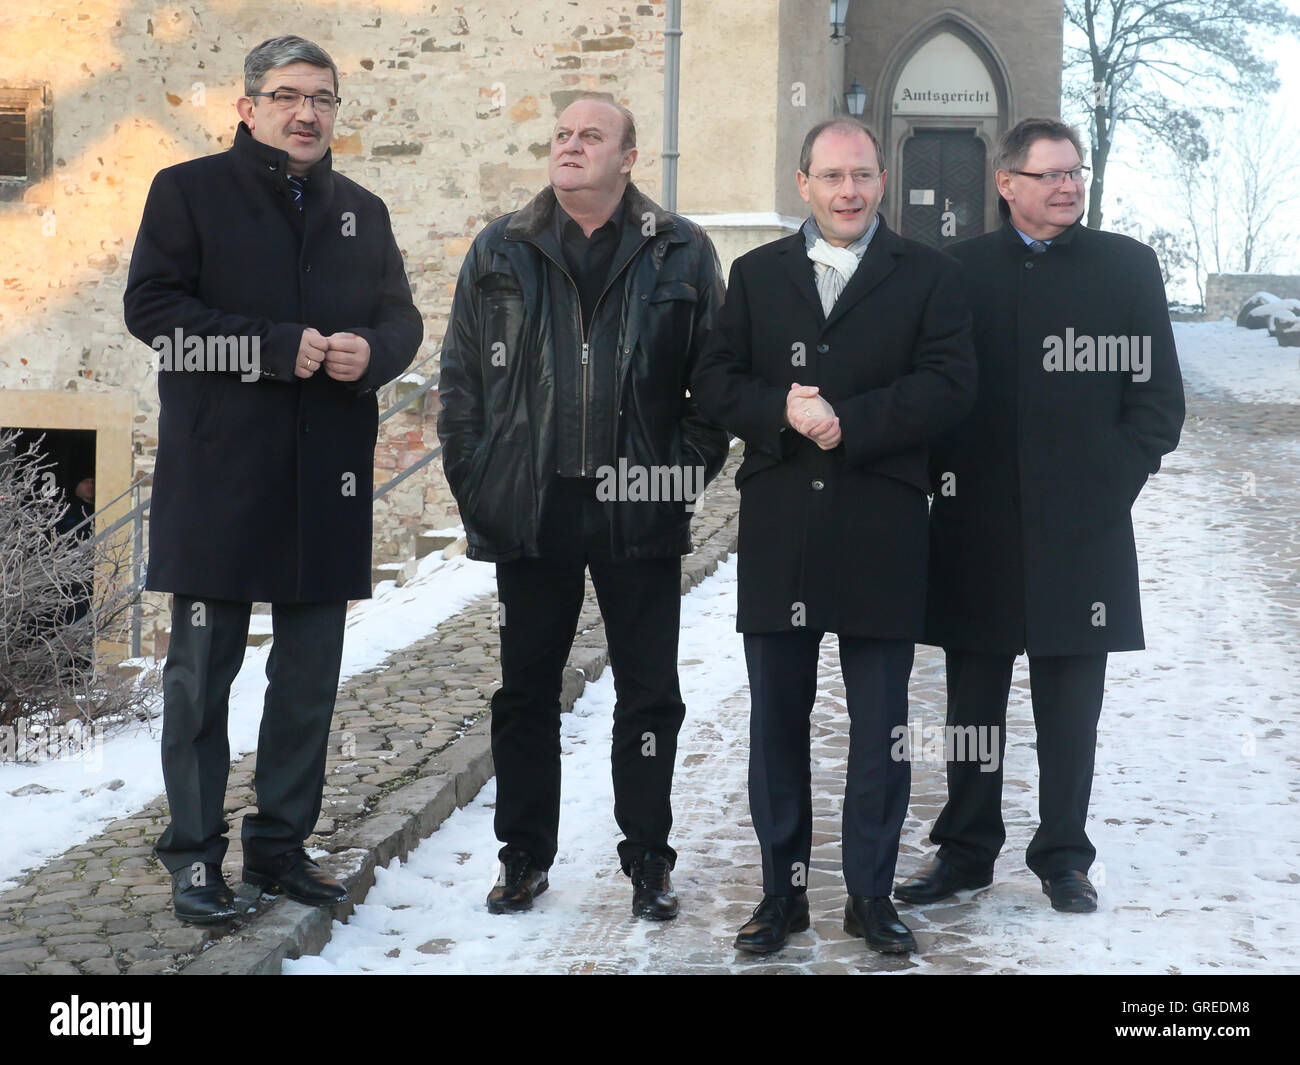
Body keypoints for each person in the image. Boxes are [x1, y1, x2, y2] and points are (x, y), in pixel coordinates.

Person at [123, 35, 422, 924]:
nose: (307, 113)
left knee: (307, 683)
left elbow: (400, 316)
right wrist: (270, 346)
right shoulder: (187, 192)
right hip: (219, 482)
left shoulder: (362, 211)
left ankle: (282, 848)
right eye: (289, 96)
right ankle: (194, 857)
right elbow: (155, 313)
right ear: (247, 106)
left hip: (324, 485)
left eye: (323, 99)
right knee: (200, 680)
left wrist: (375, 352)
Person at [437, 94, 729, 920]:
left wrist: (675, 479)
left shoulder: (678, 250)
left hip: (637, 511)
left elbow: (714, 386)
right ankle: (524, 854)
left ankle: (647, 857)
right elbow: (460, 383)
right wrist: (481, 482)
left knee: (649, 693)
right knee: (525, 692)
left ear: (628, 157)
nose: (570, 146)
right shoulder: (502, 247)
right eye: (562, 134)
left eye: (590, 136)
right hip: (533, 509)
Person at [692, 118, 977, 954]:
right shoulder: (754, 274)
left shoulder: (929, 274)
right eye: (831, 176)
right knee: (777, 721)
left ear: (882, 179)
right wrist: (781, 409)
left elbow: (952, 385)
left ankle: (870, 894)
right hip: (782, 526)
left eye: (862, 175)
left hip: (882, 525)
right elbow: (713, 378)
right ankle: (780, 897)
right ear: (803, 183)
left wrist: (847, 421)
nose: (848, 191)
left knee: (882, 724)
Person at [896, 117, 1184, 914]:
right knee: (971, 706)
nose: (1068, 187)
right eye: (1050, 174)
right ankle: (964, 851)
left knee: (1069, 706)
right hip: (974, 523)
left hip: (1082, 527)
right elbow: (932, 389)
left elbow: (1157, 404)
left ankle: (1064, 855)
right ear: (1007, 183)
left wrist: (1104, 487)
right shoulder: (956, 270)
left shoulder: (1127, 267)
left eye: (1076, 173)